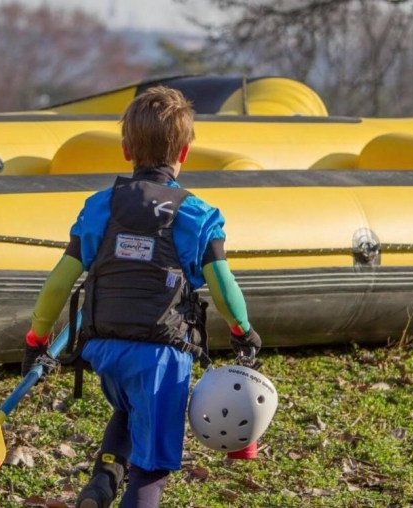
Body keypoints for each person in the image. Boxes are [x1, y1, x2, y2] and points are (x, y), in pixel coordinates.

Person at [21, 86, 261, 508]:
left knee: (130, 411)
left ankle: (102, 482)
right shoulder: (197, 216)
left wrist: (37, 339)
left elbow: (59, 282)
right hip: (162, 355)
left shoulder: (99, 207)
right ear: (184, 152)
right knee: (153, 468)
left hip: (104, 348)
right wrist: (243, 330)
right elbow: (223, 286)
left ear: (126, 149)